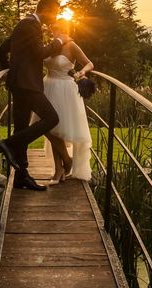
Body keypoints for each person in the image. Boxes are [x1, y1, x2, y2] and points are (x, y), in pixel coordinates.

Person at [0, 0, 71, 191]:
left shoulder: (25, 24)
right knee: (51, 118)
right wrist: (59, 41)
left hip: (20, 83)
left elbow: (2, 50)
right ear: (45, 9)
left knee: (21, 127)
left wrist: (10, 73)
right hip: (27, 85)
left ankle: (22, 177)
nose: (55, 16)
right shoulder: (30, 25)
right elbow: (40, 53)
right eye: (54, 12)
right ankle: (8, 144)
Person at [38, 19, 94, 184]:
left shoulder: (71, 46)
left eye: (56, 29)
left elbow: (89, 63)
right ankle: (65, 163)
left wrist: (82, 72)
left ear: (64, 29)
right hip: (47, 86)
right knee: (48, 128)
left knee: (55, 129)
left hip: (64, 89)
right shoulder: (51, 44)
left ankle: (60, 169)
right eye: (52, 29)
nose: (53, 32)